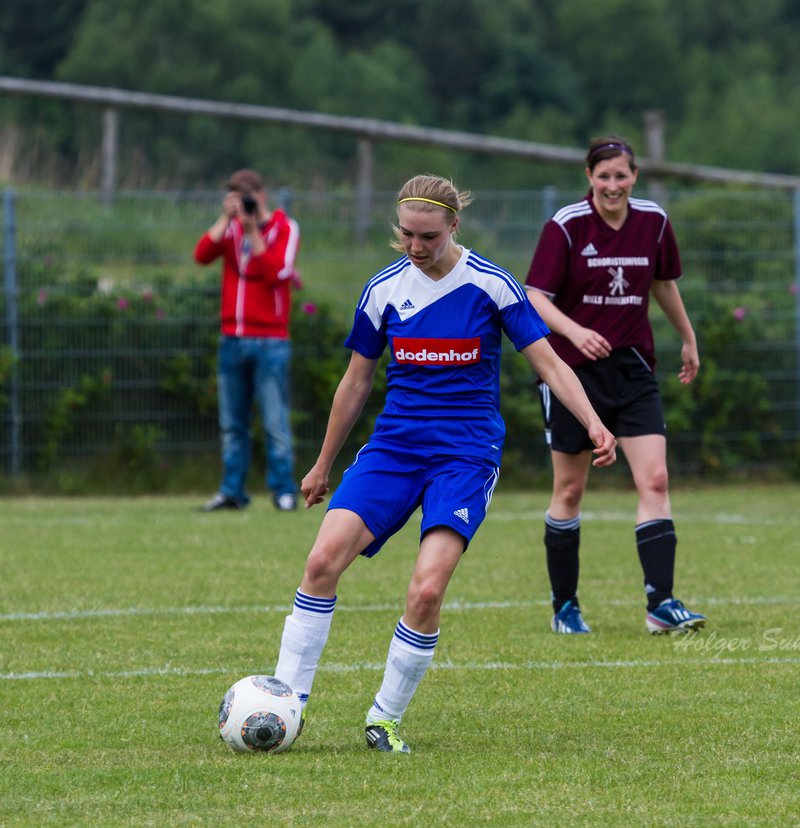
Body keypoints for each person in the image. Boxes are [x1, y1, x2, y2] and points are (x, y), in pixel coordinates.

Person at [272, 175, 617, 753]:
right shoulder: (383, 290)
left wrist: (594, 422)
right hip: (394, 450)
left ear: (453, 226)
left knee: (426, 592)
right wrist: (322, 462)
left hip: (464, 456)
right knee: (321, 561)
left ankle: (384, 718)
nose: (414, 246)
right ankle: (285, 703)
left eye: (427, 236)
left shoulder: (492, 286)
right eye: (405, 234)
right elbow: (356, 381)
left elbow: (552, 366)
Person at [524, 134, 707, 636]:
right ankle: (565, 607)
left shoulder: (653, 222)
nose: (612, 185)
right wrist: (575, 331)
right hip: (571, 374)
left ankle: (661, 604)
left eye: (620, 175)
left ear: (634, 176)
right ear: (589, 178)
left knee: (656, 481)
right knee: (570, 488)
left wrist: (687, 338)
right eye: (602, 176)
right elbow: (534, 296)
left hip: (633, 370)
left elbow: (663, 283)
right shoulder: (566, 226)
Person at [194, 168, 301, 512]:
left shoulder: (285, 228)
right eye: (235, 196)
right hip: (232, 339)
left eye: (247, 196)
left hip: (270, 342)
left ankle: (284, 491)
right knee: (232, 424)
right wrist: (225, 220)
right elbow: (201, 255)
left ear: (261, 194)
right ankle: (231, 491)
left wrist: (254, 232)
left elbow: (277, 272)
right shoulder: (230, 229)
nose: (242, 203)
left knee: (275, 422)